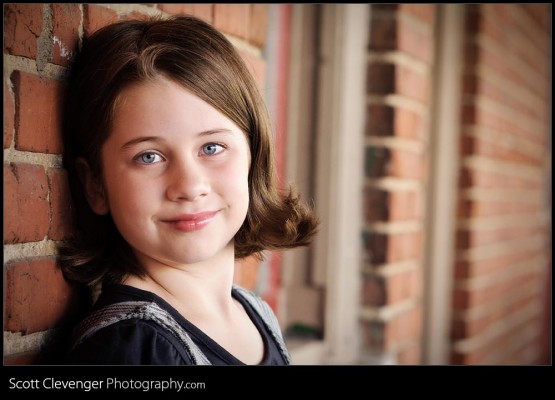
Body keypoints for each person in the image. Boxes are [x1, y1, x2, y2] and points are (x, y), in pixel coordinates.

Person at [59, 14, 318, 365]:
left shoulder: (257, 313)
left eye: (212, 148)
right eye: (148, 156)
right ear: (96, 186)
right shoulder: (132, 348)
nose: (189, 186)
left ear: (253, 157)